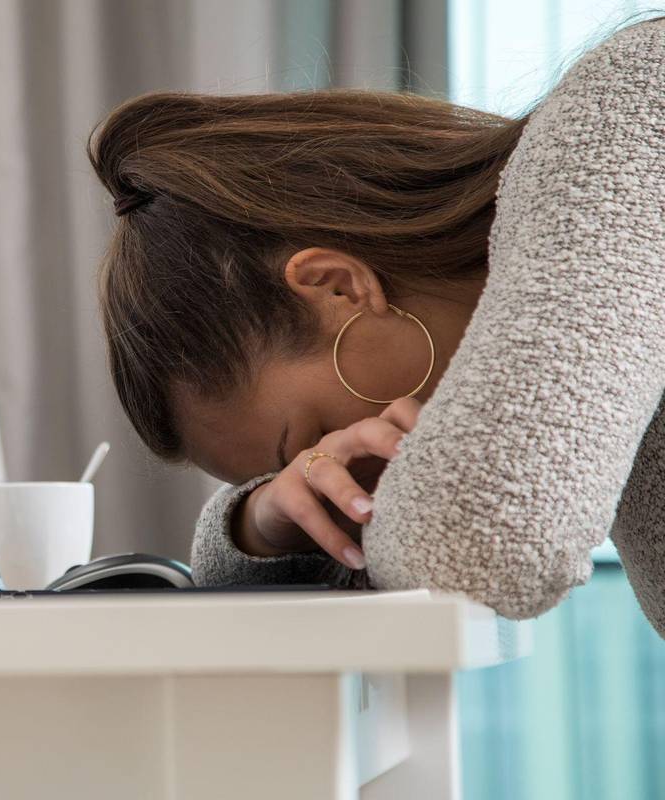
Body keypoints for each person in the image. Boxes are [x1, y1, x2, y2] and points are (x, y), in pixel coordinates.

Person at [86, 15, 665, 635]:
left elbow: (480, 541)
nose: (350, 470)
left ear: (338, 287)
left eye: (317, 435)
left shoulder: (631, 104)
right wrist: (256, 526)